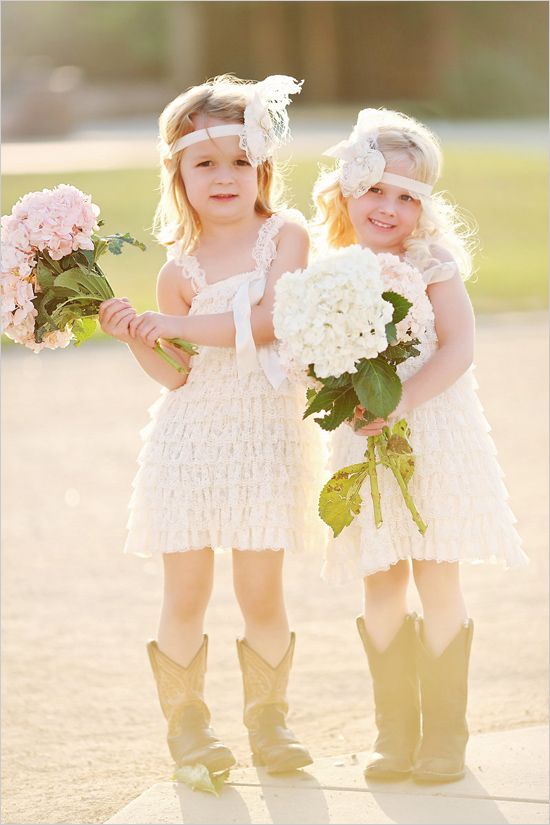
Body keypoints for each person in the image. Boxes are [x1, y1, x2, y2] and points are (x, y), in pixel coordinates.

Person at [98, 74, 325, 775]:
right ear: (179, 175)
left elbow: (271, 319)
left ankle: (268, 721)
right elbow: (175, 374)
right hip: (191, 442)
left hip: (262, 436)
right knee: (186, 588)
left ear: (261, 167)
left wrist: (176, 322)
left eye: (238, 160)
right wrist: (139, 333)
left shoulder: (284, 236)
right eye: (205, 163)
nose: (224, 176)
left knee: (261, 588)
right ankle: (189, 729)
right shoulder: (179, 269)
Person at [312, 108, 528, 783]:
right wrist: (345, 393)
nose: (390, 207)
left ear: (425, 209)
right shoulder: (329, 268)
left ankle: (445, 735)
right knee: (381, 577)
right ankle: (394, 732)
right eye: (376, 188)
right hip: (363, 435)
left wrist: (399, 399)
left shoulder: (430, 262)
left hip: (433, 428)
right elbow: (312, 349)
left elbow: (460, 346)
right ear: (346, 188)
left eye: (408, 197)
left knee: (436, 571)